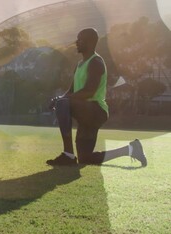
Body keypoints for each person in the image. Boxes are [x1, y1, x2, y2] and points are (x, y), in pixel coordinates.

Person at [46, 28, 147, 166]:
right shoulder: (79, 64)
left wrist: (63, 101)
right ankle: (131, 149)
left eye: (80, 39)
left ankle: (68, 155)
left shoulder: (96, 62)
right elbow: (71, 91)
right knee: (85, 158)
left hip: (96, 111)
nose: (76, 42)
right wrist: (58, 99)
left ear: (89, 42)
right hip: (86, 114)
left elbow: (89, 92)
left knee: (64, 103)